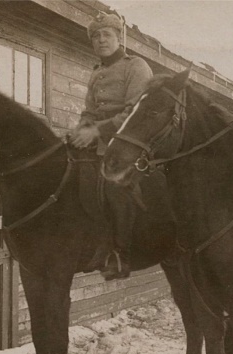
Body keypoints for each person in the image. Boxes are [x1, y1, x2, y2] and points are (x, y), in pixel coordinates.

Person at [72, 11, 153, 281]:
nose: (100, 40)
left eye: (106, 34)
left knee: (116, 187)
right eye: (95, 36)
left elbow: (135, 113)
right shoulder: (97, 73)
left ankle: (120, 254)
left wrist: (97, 130)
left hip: (130, 144)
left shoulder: (136, 66)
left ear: (119, 38)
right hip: (98, 143)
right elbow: (89, 110)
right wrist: (82, 128)